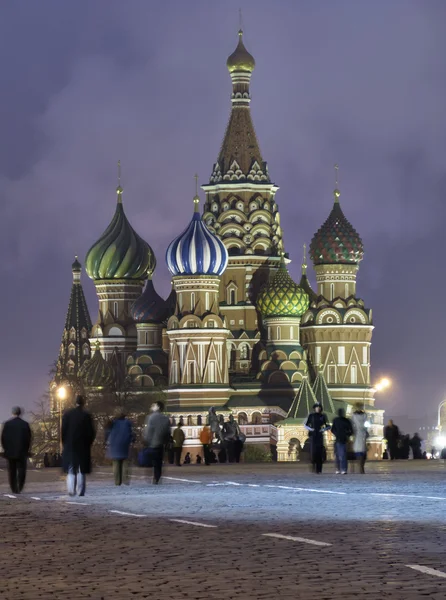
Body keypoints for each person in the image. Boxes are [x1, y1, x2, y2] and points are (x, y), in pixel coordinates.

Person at [62, 395, 96, 497]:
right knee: (81, 469)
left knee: (71, 468)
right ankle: (80, 490)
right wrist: (89, 443)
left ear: (75, 402)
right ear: (83, 403)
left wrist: (65, 443)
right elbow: (91, 432)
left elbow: (63, 431)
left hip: (70, 445)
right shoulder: (86, 415)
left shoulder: (68, 414)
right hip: (83, 445)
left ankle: (71, 489)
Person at [1, 407, 32, 494]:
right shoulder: (25, 424)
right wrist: (27, 449)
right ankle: (20, 487)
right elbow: (28, 438)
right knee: (22, 470)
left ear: (13, 413)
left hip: (10, 452)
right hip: (22, 452)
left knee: (12, 471)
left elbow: (3, 438)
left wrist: (5, 449)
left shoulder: (7, 424)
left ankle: (14, 488)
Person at [143, 401, 171, 484]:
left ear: (157, 407)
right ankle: (157, 478)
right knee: (158, 463)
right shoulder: (166, 418)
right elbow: (168, 432)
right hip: (161, 444)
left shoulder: (150, 417)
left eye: (153, 405)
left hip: (151, 444)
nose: (152, 406)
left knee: (150, 461)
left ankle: (150, 476)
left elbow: (148, 431)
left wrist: (146, 440)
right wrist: (166, 442)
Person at [107, 408, 134, 486]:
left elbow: (108, 432)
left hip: (115, 445)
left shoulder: (113, 422)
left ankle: (117, 482)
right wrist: (132, 439)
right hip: (125, 445)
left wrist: (107, 441)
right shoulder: (127, 422)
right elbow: (131, 433)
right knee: (125, 462)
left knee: (116, 463)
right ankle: (125, 480)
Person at [304, 403, 330, 474]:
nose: (318, 408)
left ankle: (319, 468)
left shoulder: (323, 416)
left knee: (319, 451)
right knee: (313, 451)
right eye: (317, 407)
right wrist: (310, 429)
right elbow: (306, 425)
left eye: (319, 407)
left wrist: (323, 429)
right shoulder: (311, 416)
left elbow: (328, 426)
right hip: (313, 435)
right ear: (314, 408)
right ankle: (313, 466)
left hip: (319, 435)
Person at [330, 408, 353, 474]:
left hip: (338, 439)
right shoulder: (346, 421)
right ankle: (343, 469)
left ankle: (338, 469)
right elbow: (351, 431)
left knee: (338, 455)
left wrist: (337, 434)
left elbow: (332, 430)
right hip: (343, 439)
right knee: (343, 455)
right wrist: (347, 435)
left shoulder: (336, 420)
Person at [352, 404, 368, 474]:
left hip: (360, 434)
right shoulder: (361, 415)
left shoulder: (356, 415)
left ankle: (361, 467)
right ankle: (361, 468)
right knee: (360, 452)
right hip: (359, 434)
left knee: (361, 452)